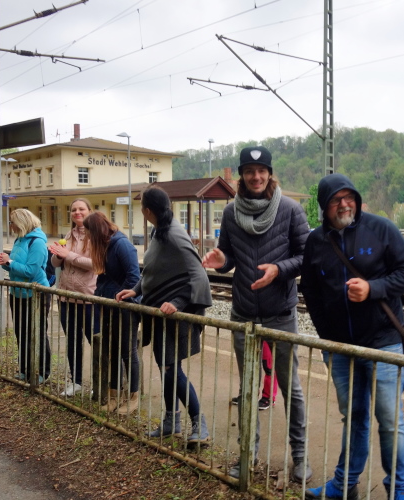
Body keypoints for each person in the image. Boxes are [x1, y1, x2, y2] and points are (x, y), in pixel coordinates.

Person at [300, 174, 404, 500]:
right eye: (335, 200)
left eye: (348, 197)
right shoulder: (316, 241)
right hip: (341, 348)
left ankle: (398, 490)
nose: (344, 204)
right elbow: (310, 291)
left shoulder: (381, 229)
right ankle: (344, 485)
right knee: (353, 418)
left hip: (384, 342)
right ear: (324, 206)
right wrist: (327, 340)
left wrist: (373, 288)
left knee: (389, 421)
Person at [201, 145, 311, 483]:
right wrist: (221, 261)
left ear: (270, 174)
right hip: (244, 312)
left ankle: (300, 458)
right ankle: (247, 455)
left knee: (290, 387)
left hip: (280, 312)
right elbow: (229, 256)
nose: (256, 176)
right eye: (249, 171)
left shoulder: (290, 210)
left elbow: (306, 256)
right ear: (242, 175)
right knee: (248, 389)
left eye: (261, 171)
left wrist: (279, 269)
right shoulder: (231, 212)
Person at [116, 187, 212, 444]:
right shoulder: (159, 230)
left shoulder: (174, 235)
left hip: (175, 316)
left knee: (171, 369)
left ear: (147, 211)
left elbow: (199, 275)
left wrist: (177, 302)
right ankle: (171, 422)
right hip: (160, 314)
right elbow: (154, 270)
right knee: (167, 367)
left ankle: (199, 422)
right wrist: (136, 289)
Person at [83, 211, 141, 414]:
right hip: (108, 305)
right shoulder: (105, 246)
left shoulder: (122, 245)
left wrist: (119, 297)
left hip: (125, 307)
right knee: (113, 350)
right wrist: (100, 297)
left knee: (128, 351)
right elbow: (103, 278)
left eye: (88, 232)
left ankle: (133, 396)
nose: (87, 236)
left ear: (96, 230)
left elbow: (134, 277)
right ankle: (114, 395)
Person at [48, 198, 99, 397]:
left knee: (95, 342)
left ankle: (99, 383)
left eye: (81, 209)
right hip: (66, 297)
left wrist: (67, 255)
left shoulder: (96, 235)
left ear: (89, 211)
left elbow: (95, 264)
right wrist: (58, 255)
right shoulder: (69, 234)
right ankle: (76, 381)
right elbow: (56, 264)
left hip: (88, 298)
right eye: (74, 210)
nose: (77, 212)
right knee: (72, 341)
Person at [0, 209, 52, 384]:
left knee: (37, 332)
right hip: (18, 292)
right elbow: (16, 266)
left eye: (12, 222)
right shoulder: (19, 239)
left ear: (21, 223)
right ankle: (25, 368)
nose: (10, 226)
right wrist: (5, 263)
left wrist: (10, 261)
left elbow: (30, 271)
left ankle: (42, 371)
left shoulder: (37, 242)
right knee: (21, 332)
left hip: (36, 294)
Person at [230, 341, 278, 411]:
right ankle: (250, 395)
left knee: (268, 366)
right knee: (251, 361)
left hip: (269, 338)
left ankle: (269, 398)